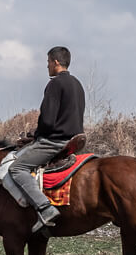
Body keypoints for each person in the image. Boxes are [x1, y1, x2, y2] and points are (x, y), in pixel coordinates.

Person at [8, 46, 85, 233]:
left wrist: (35, 137)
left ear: (56, 62)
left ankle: (45, 208)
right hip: (74, 139)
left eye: (48, 62)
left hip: (55, 141)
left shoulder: (55, 84)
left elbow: (48, 120)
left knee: (16, 168)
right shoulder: (77, 84)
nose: (47, 66)